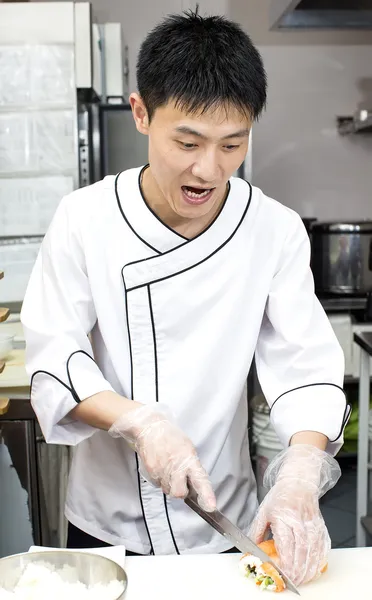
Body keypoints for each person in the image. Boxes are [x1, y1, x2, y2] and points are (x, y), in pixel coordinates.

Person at [21, 8, 350, 585]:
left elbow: (305, 369)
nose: (209, 169)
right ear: (142, 113)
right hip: (107, 526)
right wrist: (140, 422)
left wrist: (300, 471)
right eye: (188, 141)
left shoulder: (271, 229)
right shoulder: (86, 219)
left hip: (225, 519)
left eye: (232, 145)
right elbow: (53, 356)